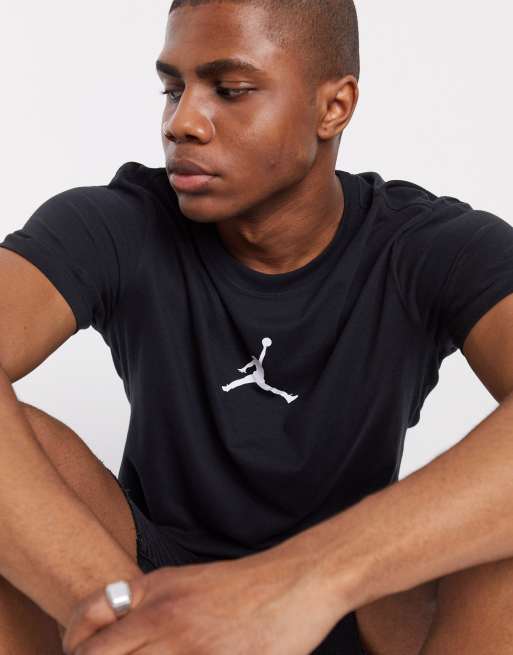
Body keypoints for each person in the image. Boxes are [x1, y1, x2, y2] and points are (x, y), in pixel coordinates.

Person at [1, 1, 513, 653]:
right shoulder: (118, 223)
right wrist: (130, 613)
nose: (182, 122)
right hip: (147, 585)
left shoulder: (430, 245)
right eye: (172, 89)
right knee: (27, 446)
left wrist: (298, 583)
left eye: (230, 89)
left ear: (334, 107)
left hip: (356, 599)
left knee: (499, 538)